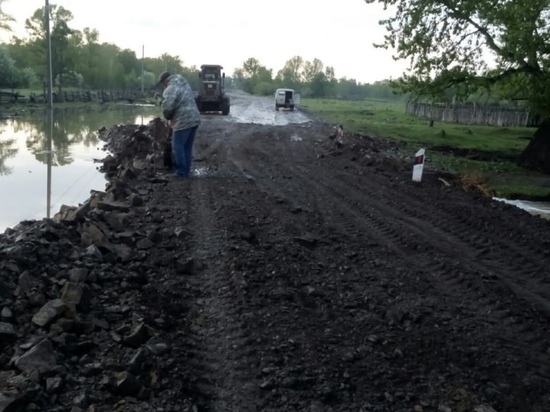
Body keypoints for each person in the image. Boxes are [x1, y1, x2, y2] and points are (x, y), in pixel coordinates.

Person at [158, 71, 201, 178]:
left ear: (165, 80)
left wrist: (167, 116)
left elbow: (167, 108)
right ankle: (186, 170)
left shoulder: (170, 88)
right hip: (194, 117)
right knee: (187, 146)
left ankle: (181, 172)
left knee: (177, 146)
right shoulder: (183, 82)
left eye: (163, 83)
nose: (164, 85)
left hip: (183, 120)